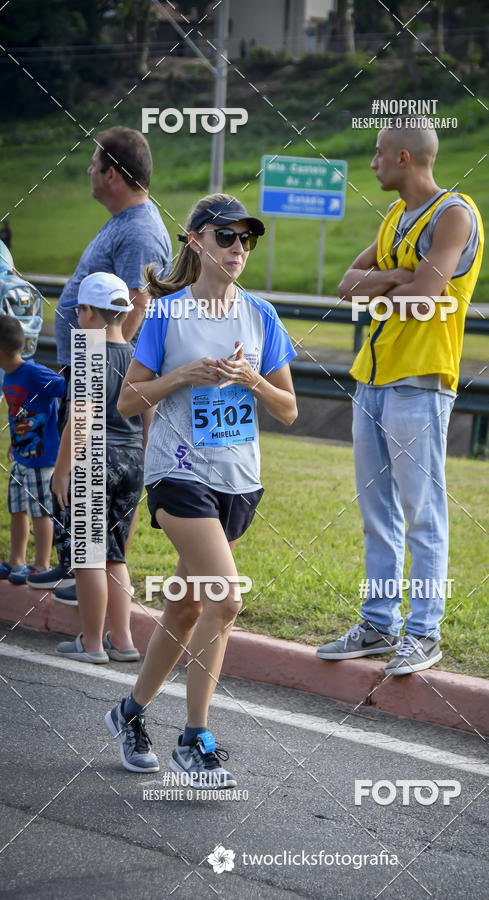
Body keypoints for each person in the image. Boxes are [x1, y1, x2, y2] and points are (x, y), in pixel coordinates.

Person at [105, 194, 297, 785]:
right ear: (195, 241)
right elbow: (128, 400)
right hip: (179, 472)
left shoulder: (262, 315)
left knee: (186, 606)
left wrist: (252, 380)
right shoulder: (167, 316)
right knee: (226, 598)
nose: (238, 249)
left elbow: (289, 409)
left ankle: (129, 712)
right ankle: (195, 740)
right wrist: (183, 376)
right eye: (226, 237)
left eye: (246, 239)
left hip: (239, 482)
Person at [317, 121, 484, 674]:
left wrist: (393, 281)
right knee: (377, 512)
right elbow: (346, 283)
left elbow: (424, 299)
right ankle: (378, 623)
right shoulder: (394, 217)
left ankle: (423, 632)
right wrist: (401, 274)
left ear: (405, 158)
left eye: (379, 154)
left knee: (422, 513)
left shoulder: (454, 214)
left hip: (421, 379)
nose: (372, 164)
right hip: (373, 378)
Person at [28, 126, 171, 594]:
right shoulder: (124, 221)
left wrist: (107, 372)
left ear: (112, 173)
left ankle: (93, 579)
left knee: (100, 484)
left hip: (106, 380)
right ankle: (76, 566)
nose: (88, 172)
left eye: (93, 165)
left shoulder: (142, 230)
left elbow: (137, 305)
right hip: (92, 368)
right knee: (84, 482)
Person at [51, 273, 149, 664]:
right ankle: (122, 640)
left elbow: (80, 417)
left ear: (90, 312)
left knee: (88, 554)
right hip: (133, 461)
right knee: (115, 555)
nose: (77, 318)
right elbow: (149, 414)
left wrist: (62, 471)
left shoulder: (88, 352)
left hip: (94, 458)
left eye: (79, 311)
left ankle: (91, 643)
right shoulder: (138, 355)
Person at [0, 315, 65, 583]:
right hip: (22, 456)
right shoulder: (8, 375)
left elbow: (67, 388)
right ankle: (17, 562)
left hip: (43, 458)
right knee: (16, 508)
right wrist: (15, 444)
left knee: (40, 512)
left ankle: (40, 564)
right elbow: (17, 415)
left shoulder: (35, 373)